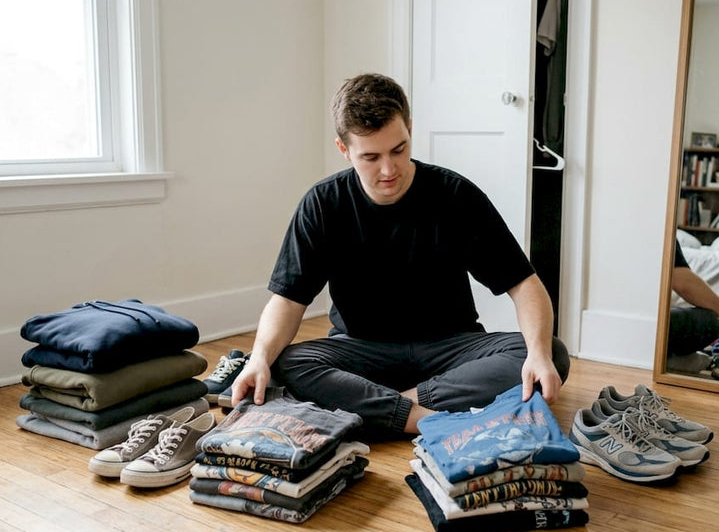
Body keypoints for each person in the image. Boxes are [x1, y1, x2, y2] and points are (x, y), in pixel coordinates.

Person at [229, 73, 569, 439]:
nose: (389, 170)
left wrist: (537, 354)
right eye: (371, 157)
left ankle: (387, 411)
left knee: (548, 351)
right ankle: (424, 419)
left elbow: (524, 284)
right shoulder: (323, 203)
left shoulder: (455, 194)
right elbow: (288, 301)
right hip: (362, 351)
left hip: (449, 349)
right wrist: (259, 357)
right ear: (344, 149)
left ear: (409, 128)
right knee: (284, 362)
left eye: (398, 149)